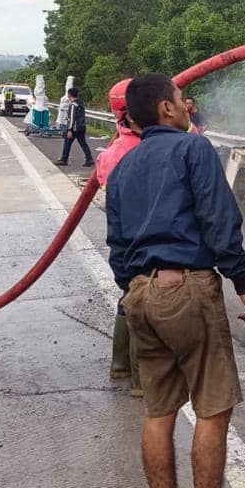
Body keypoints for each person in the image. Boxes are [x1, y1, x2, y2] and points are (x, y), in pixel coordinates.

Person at [106, 74, 245, 488]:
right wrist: (243, 282)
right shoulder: (194, 151)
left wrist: (135, 290)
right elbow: (219, 220)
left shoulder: (124, 166)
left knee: (158, 413)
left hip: (139, 297)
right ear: (167, 110)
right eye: (180, 99)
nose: (187, 104)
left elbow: (116, 244)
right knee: (213, 408)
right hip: (186, 290)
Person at [96, 79, 143, 396]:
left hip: (121, 242)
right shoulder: (146, 149)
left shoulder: (111, 153)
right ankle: (143, 382)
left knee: (128, 298)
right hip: (146, 241)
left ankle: (119, 365)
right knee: (144, 305)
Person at [55, 88, 93, 167]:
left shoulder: (73, 105)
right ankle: (89, 159)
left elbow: (72, 118)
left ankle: (64, 159)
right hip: (81, 127)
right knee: (83, 144)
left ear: (69, 95)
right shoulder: (80, 103)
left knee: (67, 142)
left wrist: (69, 129)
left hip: (74, 128)